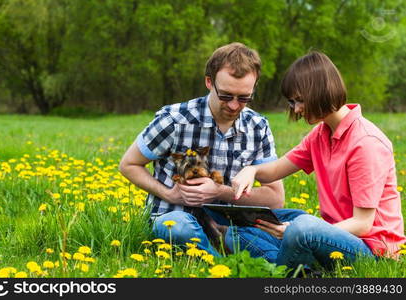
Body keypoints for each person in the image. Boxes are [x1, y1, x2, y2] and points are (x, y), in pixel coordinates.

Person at [229, 50, 406, 269]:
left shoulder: (366, 142)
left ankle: (288, 270)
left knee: (300, 227)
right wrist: (251, 171)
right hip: (331, 233)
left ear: (321, 92)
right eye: (292, 102)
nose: (297, 109)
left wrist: (296, 230)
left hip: (372, 251)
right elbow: (276, 170)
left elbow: (362, 224)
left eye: (300, 101)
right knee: (245, 223)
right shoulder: (321, 134)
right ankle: (301, 264)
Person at [119, 42, 285, 256]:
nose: (234, 105)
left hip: (232, 227)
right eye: (226, 96)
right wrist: (170, 194)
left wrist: (220, 192)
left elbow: (275, 197)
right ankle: (221, 266)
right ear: (209, 82)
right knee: (175, 227)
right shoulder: (175, 119)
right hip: (178, 217)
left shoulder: (257, 126)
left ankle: (281, 267)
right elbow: (129, 164)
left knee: (286, 227)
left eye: (244, 98)